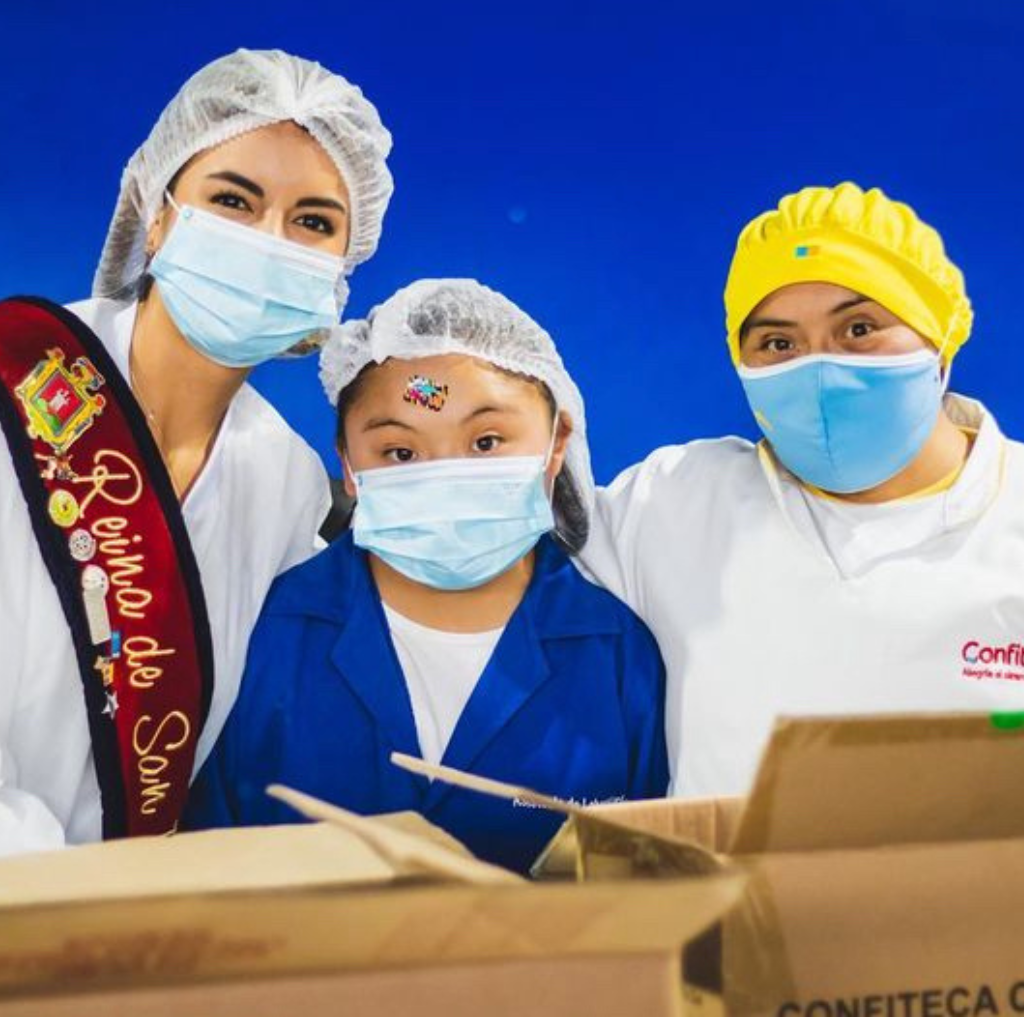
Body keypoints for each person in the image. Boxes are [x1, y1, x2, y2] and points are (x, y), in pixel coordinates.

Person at [0, 48, 393, 853]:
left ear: (341, 269)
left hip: (125, 909)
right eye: (233, 201)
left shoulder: (285, 483)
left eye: (313, 222)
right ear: (158, 215)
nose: (269, 240)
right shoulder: (16, 383)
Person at [185, 278, 669, 873]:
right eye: (400, 453)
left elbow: (650, 884)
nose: (446, 474)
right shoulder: (265, 632)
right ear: (347, 463)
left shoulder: (618, 657)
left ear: (556, 443)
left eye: (486, 442)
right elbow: (203, 869)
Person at [580, 182, 1024, 798]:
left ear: (939, 342)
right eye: (778, 343)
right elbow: (498, 575)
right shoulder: (676, 502)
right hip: (721, 867)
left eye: (859, 328)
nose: (820, 367)